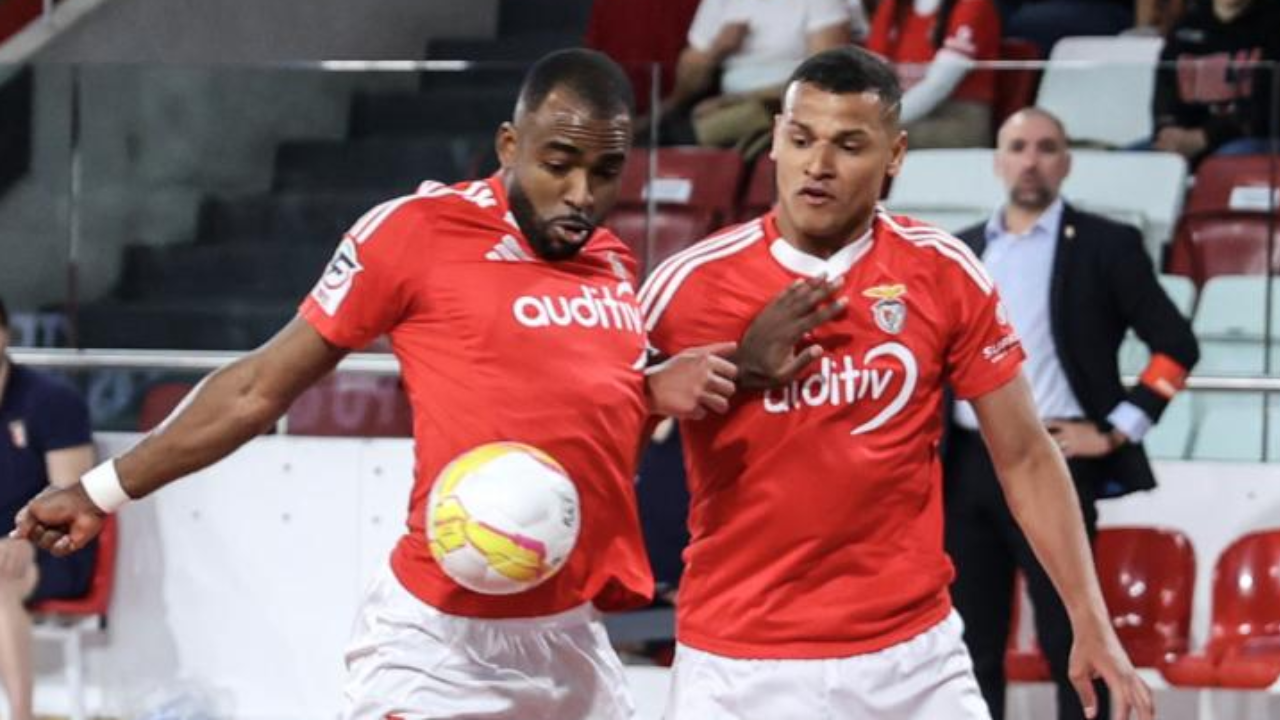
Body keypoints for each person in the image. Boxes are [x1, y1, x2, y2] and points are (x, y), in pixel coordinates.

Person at [11, 50, 740, 720]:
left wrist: (647, 389)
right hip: (441, 640)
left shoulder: (611, 262)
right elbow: (259, 387)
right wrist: (100, 490)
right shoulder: (416, 232)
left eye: (605, 171)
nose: (581, 193)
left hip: (571, 633)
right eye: (560, 163)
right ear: (510, 145)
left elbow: (579, 411)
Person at [639, 47, 1155, 720]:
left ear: (895, 155)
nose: (818, 166)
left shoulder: (942, 271)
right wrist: (702, 379)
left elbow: (1026, 455)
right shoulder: (687, 285)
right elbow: (608, 425)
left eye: (849, 145)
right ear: (775, 142)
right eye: (801, 140)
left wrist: (1090, 617)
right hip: (741, 664)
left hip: (914, 661)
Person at [945, 107, 1199, 720]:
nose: (1031, 159)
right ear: (998, 160)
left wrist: (1116, 431)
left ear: (1066, 161)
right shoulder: (960, 250)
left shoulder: (1108, 246)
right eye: (1018, 146)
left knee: (1071, 638)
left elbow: (1177, 348)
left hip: (1055, 458)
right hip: (967, 467)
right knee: (970, 642)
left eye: (1046, 147)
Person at [0, 296, 98, 720]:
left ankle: (20, 715)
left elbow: (70, 496)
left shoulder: (50, 401)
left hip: (49, 547)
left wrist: (21, 539)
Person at [640, 0, 853, 150]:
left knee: (685, 136)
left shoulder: (823, 3)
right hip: (720, 100)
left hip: (781, 103)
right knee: (647, 135)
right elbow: (689, 78)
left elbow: (823, 77)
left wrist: (738, 100)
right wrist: (717, 49)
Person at [1150, 0, 1280, 161]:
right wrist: (1167, 131)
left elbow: (1266, 108)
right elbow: (1166, 92)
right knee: (1124, 161)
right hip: (1185, 140)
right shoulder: (1187, 23)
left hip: (1252, 139)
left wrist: (1205, 137)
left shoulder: (1272, 23)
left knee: (1226, 162)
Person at [866, 0, 1001, 148]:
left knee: (874, 140)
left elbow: (937, 86)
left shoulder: (973, 5)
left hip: (959, 119)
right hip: (903, 111)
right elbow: (872, 75)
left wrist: (882, 121)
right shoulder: (894, 6)